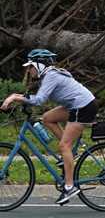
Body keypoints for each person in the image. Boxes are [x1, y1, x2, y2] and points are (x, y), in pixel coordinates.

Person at [0, 49, 98, 205]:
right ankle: (71, 154)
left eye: (30, 66)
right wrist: (20, 99)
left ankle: (69, 186)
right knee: (47, 118)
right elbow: (36, 98)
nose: (28, 70)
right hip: (75, 105)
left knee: (64, 145)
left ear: (39, 65)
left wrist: (14, 97)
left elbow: (39, 100)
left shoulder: (51, 75)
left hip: (83, 106)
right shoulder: (48, 75)